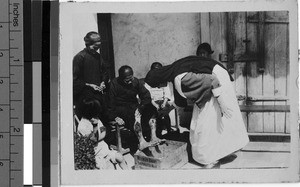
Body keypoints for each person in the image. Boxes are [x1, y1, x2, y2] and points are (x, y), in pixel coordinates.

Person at [145, 46, 249, 168]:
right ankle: (221, 152)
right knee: (213, 121)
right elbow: (180, 99)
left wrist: (222, 103)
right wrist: (167, 109)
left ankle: (210, 159)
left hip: (217, 83)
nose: (159, 87)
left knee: (205, 125)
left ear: (160, 78)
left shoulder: (180, 78)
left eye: (157, 85)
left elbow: (212, 80)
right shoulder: (174, 71)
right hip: (214, 84)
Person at [107, 65, 156, 153]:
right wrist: (114, 117)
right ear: (121, 78)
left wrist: (141, 107)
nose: (130, 82)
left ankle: (154, 136)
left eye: (131, 78)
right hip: (120, 108)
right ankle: (141, 141)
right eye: (127, 80)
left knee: (151, 108)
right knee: (133, 115)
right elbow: (109, 104)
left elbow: (146, 95)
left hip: (134, 105)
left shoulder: (135, 81)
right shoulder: (113, 84)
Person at [76, 98, 128, 170]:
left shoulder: (95, 118)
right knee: (110, 168)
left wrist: (98, 137)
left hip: (105, 150)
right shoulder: (83, 126)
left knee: (120, 158)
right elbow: (93, 140)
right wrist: (95, 127)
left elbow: (103, 131)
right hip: (95, 155)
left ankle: (129, 175)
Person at [73, 31, 109, 119]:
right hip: (85, 98)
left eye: (98, 47)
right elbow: (74, 80)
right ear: (88, 44)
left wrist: (103, 82)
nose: (96, 49)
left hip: (97, 94)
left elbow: (105, 72)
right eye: (94, 47)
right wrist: (89, 85)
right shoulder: (80, 57)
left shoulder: (98, 56)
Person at [144, 62, 175, 139]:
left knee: (164, 113)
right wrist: (154, 104)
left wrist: (164, 103)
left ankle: (168, 130)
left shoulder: (164, 81)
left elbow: (167, 94)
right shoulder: (148, 81)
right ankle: (155, 133)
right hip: (152, 102)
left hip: (162, 101)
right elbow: (147, 96)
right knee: (152, 113)